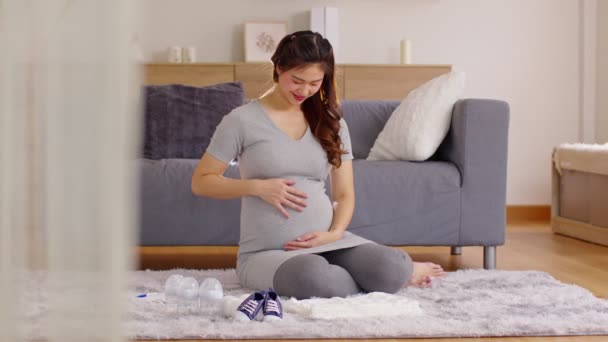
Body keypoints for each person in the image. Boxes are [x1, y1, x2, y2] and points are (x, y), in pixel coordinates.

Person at [191, 31, 444, 299]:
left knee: (390, 267)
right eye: (296, 80)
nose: (304, 91)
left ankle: (385, 273)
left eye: (314, 83)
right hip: (267, 253)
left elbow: (344, 194)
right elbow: (202, 181)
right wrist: (257, 187)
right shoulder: (241, 120)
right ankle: (369, 278)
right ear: (278, 68)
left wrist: (334, 234)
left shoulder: (331, 122)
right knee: (316, 278)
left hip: (330, 244)